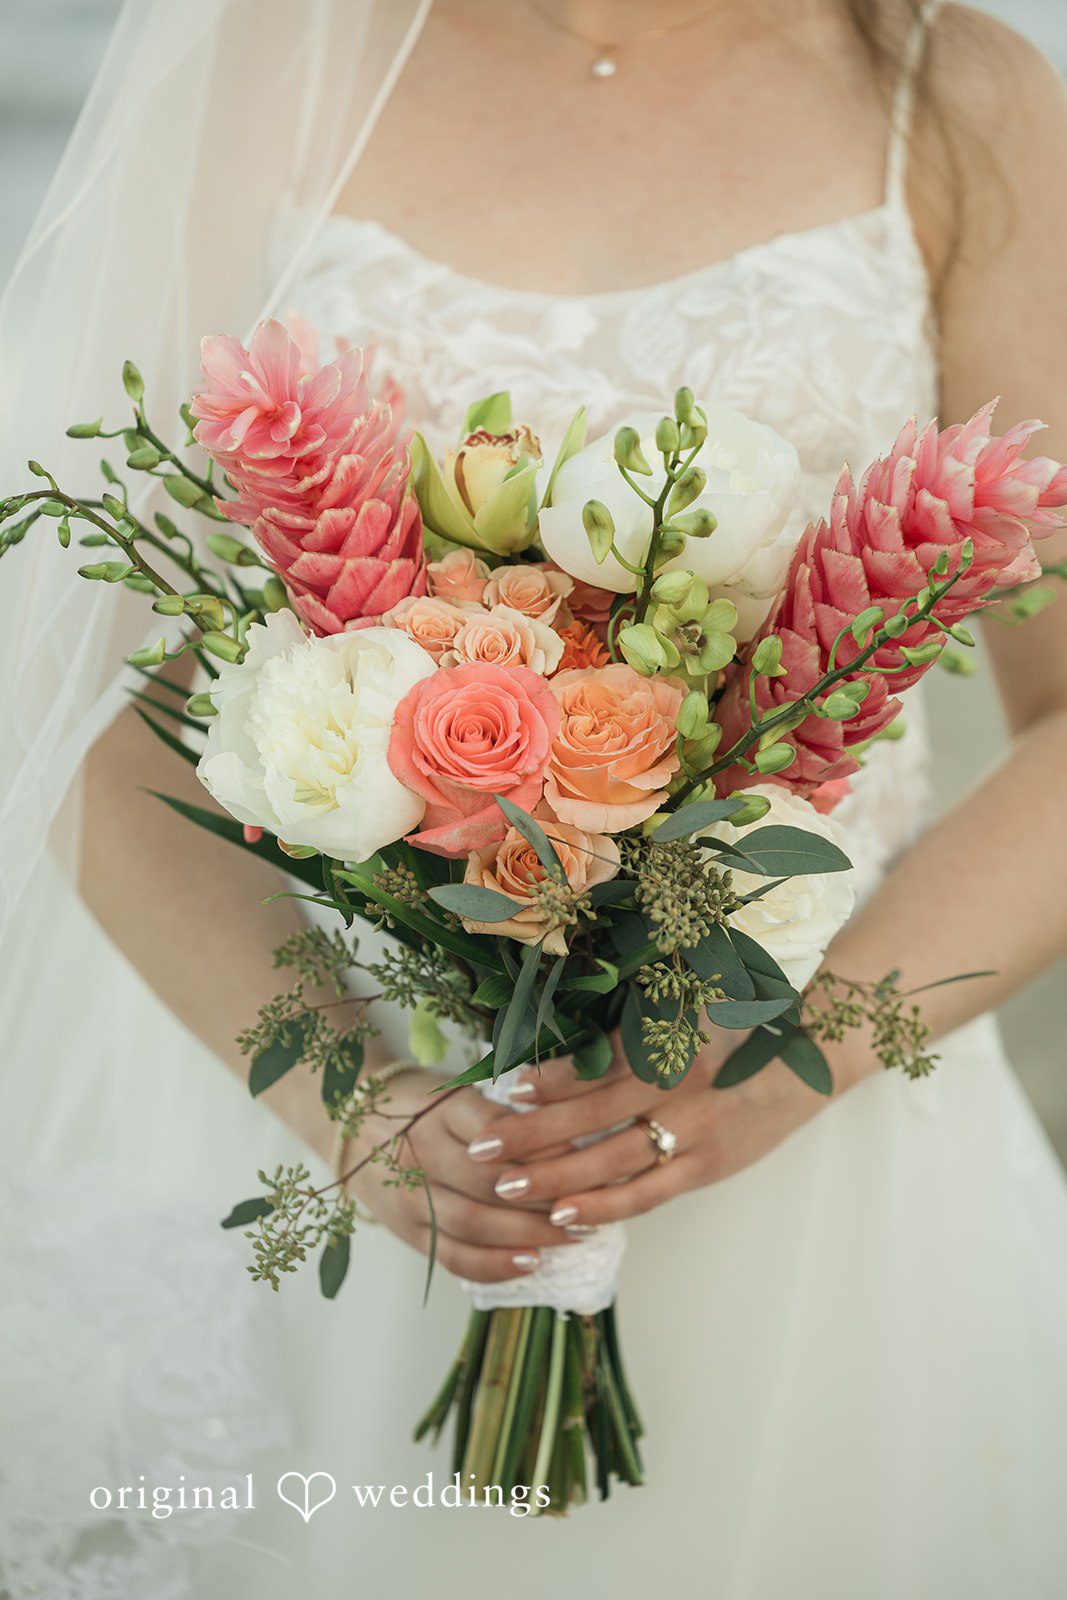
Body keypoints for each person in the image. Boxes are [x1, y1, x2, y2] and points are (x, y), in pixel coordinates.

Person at [2, 3, 1067, 1595]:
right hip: (340, 1115)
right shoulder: (268, 61)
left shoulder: (953, 95)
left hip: (817, 1118)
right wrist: (347, 1099)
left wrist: (782, 1068)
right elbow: (73, 691)